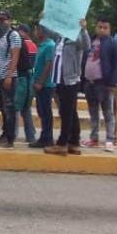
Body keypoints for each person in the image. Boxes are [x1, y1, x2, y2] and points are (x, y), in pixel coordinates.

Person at [45, 20, 90, 156]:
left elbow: (87, 45)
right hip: (59, 78)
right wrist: (45, 19)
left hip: (70, 79)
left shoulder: (76, 37)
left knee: (66, 112)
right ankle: (74, 142)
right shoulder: (60, 37)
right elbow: (48, 31)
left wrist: (83, 29)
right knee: (70, 111)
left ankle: (62, 143)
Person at [82, 17, 117, 152]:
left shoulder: (113, 44)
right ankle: (94, 138)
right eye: (100, 27)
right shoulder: (90, 42)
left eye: (105, 27)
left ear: (109, 29)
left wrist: (112, 83)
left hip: (104, 84)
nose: (102, 30)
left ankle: (110, 139)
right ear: (96, 27)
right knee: (93, 112)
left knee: (108, 113)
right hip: (89, 83)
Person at [0, 10, 21, 150]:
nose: (0, 22)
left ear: (10, 20)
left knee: (9, 108)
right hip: (0, 77)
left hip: (9, 77)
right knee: (3, 107)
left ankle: (9, 139)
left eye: (3, 20)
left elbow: (15, 57)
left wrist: (9, 75)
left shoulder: (13, 36)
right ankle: (4, 135)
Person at [29, 23, 56, 148]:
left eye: (36, 29)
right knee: (41, 111)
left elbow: (48, 64)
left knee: (46, 111)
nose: (35, 31)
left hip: (46, 84)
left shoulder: (50, 45)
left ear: (42, 31)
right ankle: (44, 137)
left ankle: (47, 138)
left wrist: (41, 81)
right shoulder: (41, 45)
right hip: (38, 82)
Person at [13, 23, 37, 144]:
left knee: (16, 107)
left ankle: (13, 134)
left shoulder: (19, 43)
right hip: (30, 78)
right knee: (26, 109)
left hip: (20, 78)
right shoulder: (33, 45)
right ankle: (31, 136)